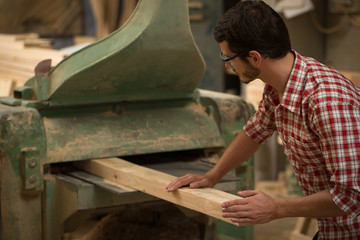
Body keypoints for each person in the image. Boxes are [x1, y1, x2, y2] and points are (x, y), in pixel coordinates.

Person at [166, 1, 360, 239]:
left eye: (228, 58)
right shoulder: (279, 84)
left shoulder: (327, 102)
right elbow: (254, 132)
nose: (228, 65)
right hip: (334, 227)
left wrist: (277, 208)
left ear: (255, 57)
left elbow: (350, 196)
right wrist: (212, 175)